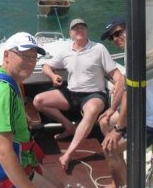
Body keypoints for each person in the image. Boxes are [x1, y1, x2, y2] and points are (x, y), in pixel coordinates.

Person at [0, 32, 57, 188]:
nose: (30, 62)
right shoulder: (2, 91)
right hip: (4, 175)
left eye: (34, 57)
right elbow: (3, 153)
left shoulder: (1, 76)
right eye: (24, 56)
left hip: (22, 159)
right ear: (7, 55)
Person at [99, 15, 153, 187]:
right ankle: (118, 179)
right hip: (148, 112)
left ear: (130, 28)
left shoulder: (141, 54)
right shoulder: (135, 48)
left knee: (109, 148)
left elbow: (129, 93)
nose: (115, 39)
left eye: (118, 32)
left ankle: (129, 184)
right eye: (111, 37)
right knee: (104, 122)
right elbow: (125, 83)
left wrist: (118, 129)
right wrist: (112, 109)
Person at [33, 18, 125, 171]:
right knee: (38, 101)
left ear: (86, 31)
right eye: (76, 29)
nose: (79, 31)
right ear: (71, 33)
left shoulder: (98, 48)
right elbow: (46, 66)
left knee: (92, 110)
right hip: (71, 93)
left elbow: (116, 75)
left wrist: (117, 85)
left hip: (94, 94)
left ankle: (69, 153)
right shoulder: (66, 52)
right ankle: (69, 127)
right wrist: (52, 76)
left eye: (82, 28)